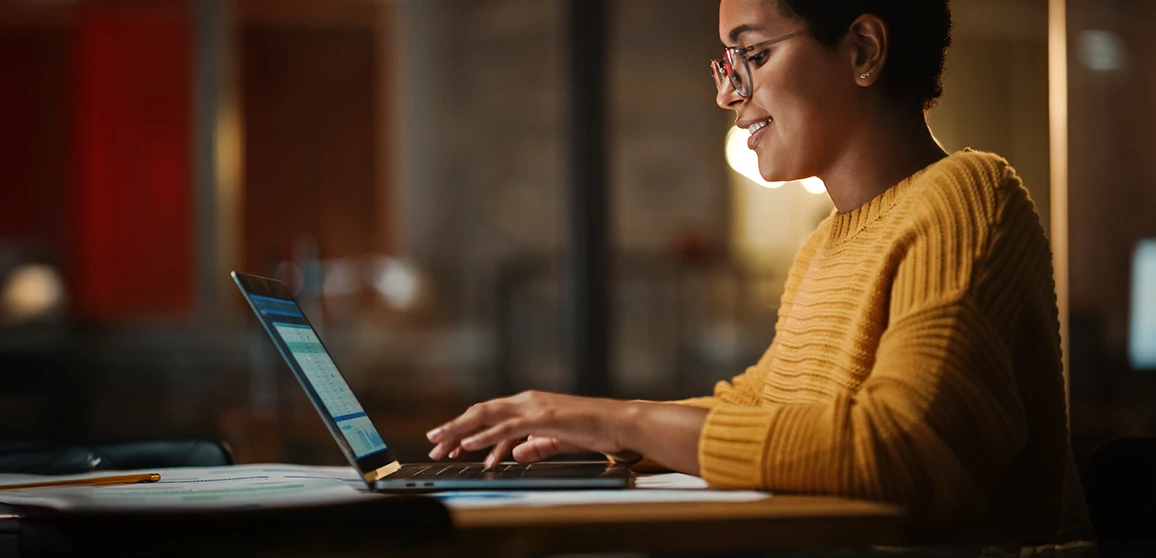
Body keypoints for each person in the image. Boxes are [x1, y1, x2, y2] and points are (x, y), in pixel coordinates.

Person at [423, 0, 1094, 550]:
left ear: (862, 51)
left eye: (754, 55)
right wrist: (587, 425)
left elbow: (904, 450)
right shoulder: (826, 244)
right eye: (728, 60)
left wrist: (619, 422)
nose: (726, 93)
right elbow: (761, 408)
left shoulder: (968, 194)